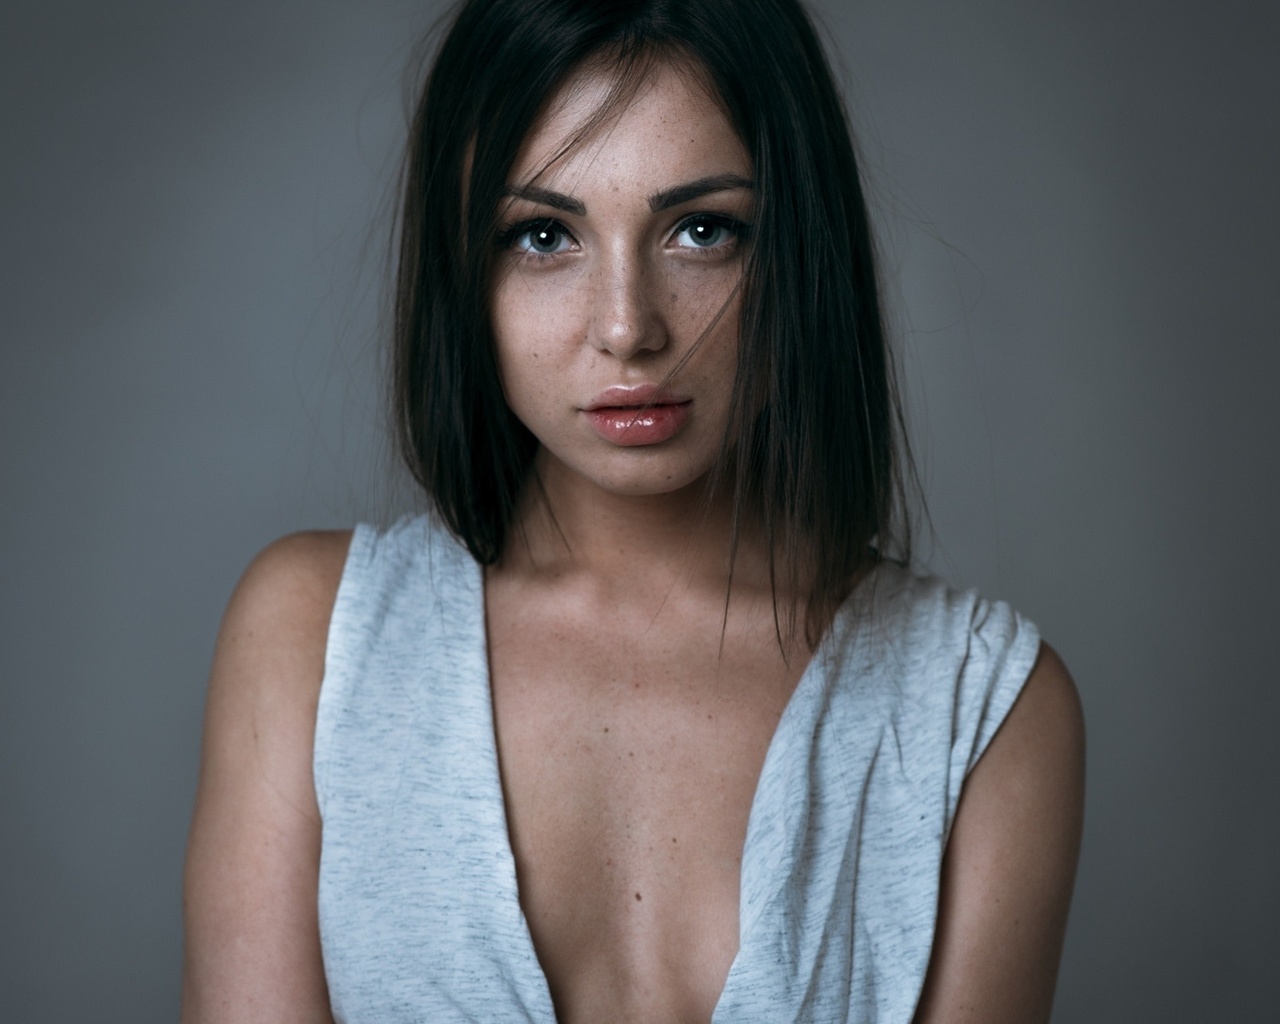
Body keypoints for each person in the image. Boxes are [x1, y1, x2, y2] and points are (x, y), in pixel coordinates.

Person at [181, 0, 1085, 1020]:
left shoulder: (983, 710)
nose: (626, 327)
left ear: (797, 249)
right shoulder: (313, 642)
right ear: (460, 269)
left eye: (701, 231)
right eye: (542, 235)